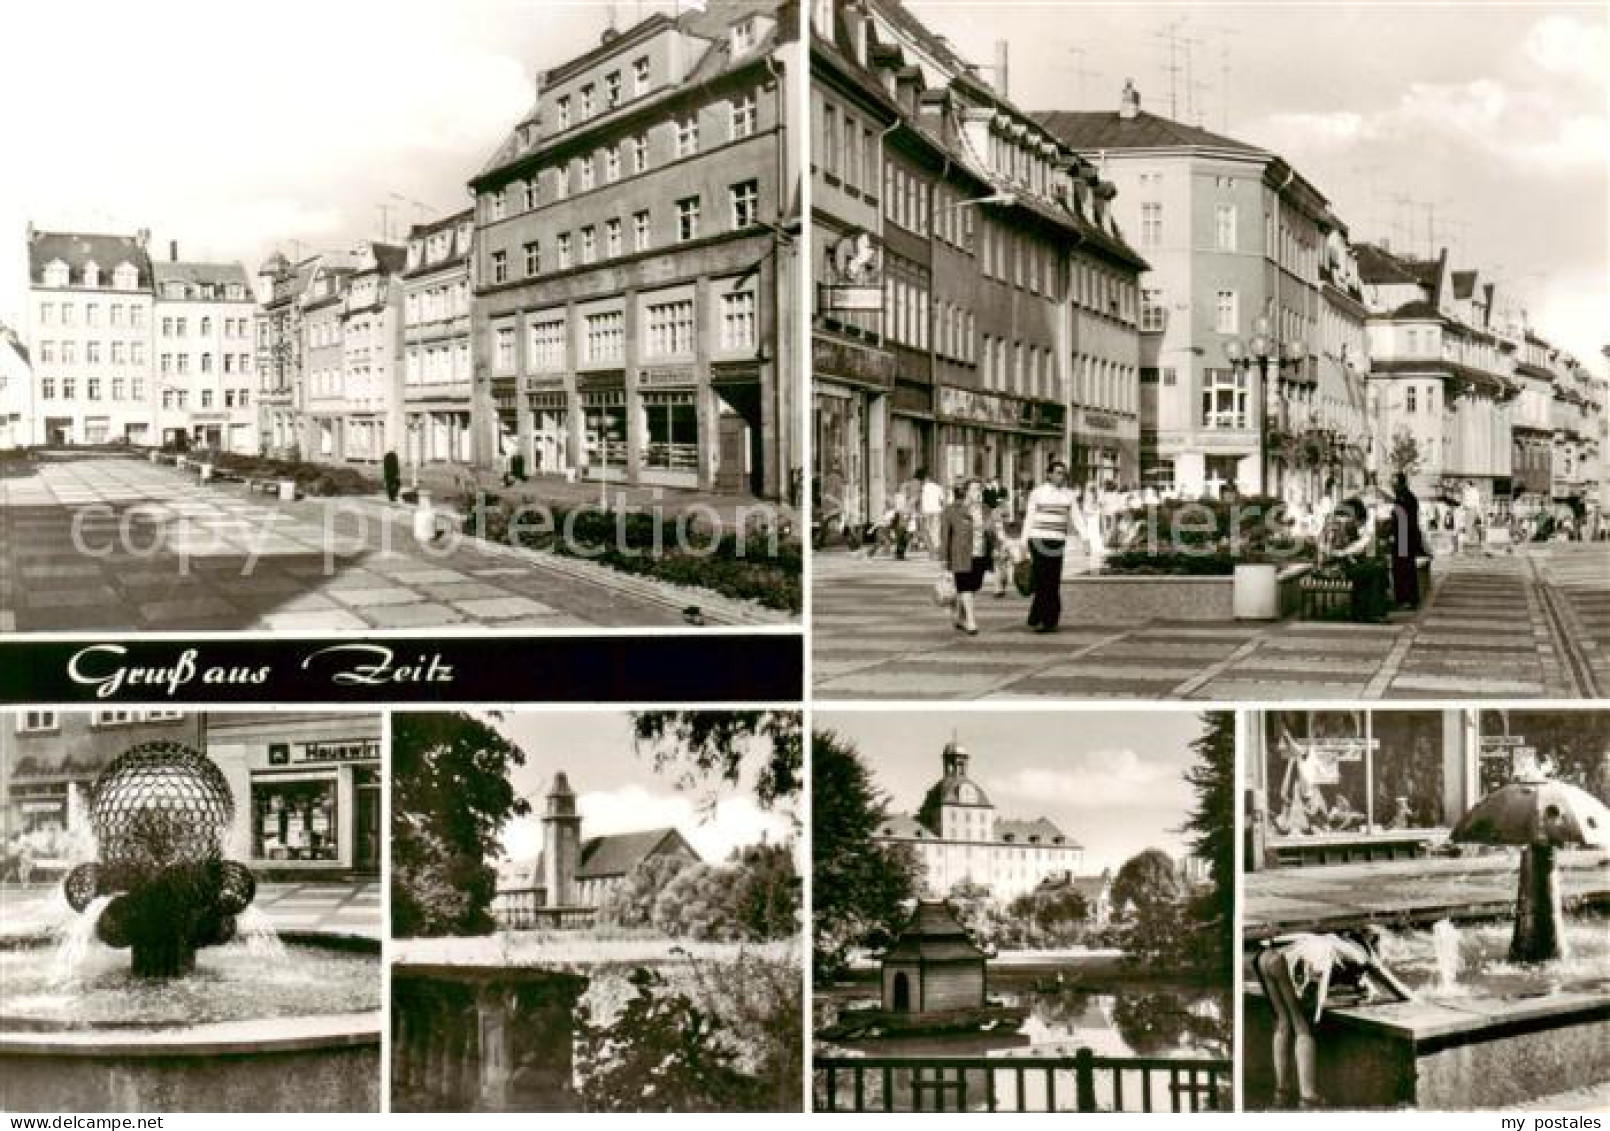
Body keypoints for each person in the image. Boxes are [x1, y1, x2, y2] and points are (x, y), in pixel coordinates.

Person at [1253, 927, 1414, 1109]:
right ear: (1372, 942)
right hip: (1289, 961)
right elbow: (1396, 987)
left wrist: (1364, 987)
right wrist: (1319, 1008)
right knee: (1302, 1027)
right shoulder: (1367, 955)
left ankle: (1281, 1092)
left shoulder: (1341, 942)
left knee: (1282, 1022)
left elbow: (1352, 976)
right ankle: (1308, 1096)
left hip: (1266, 956)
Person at [1020, 461, 1077, 633]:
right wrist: (1023, 541)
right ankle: (1046, 619)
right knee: (1044, 579)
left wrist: (1086, 538)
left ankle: (1041, 617)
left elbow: (1077, 516)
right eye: (1058, 473)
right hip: (1038, 539)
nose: (1061, 477)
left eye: (1063, 473)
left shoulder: (1069, 495)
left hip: (1057, 540)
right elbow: (1029, 517)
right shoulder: (1038, 493)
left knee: (1053, 579)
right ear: (1049, 474)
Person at [939, 479, 994, 635]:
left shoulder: (985, 509)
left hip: (980, 553)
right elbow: (945, 536)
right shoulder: (953, 510)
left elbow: (991, 532)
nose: (979, 492)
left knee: (975, 586)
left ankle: (961, 616)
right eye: (976, 489)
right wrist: (943, 558)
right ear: (966, 491)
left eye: (980, 490)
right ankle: (971, 621)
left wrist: (997, 547)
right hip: (960, 554)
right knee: (965, 586)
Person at [1389, 473, 1429, 609]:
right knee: (1404, 568)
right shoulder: (1406, 497)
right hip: (1405, 537)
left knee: (1403, 569)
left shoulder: (1404, 498)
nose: (1392, 486)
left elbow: (1402, 520)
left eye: (1394, 483)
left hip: (1403, 538)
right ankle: (1407, 599)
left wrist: (1391, 529)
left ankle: (1406, 600)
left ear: (1401, 483)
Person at [915, 468, 946, 556]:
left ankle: (932, 551)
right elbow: (943, 501)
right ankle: (936, 549)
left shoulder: (923, 488)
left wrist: (920, 512)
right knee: (936, 531)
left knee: (926, 531)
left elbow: (921, 501)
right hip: (937, 511)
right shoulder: (938, 487)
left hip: (927, 512)